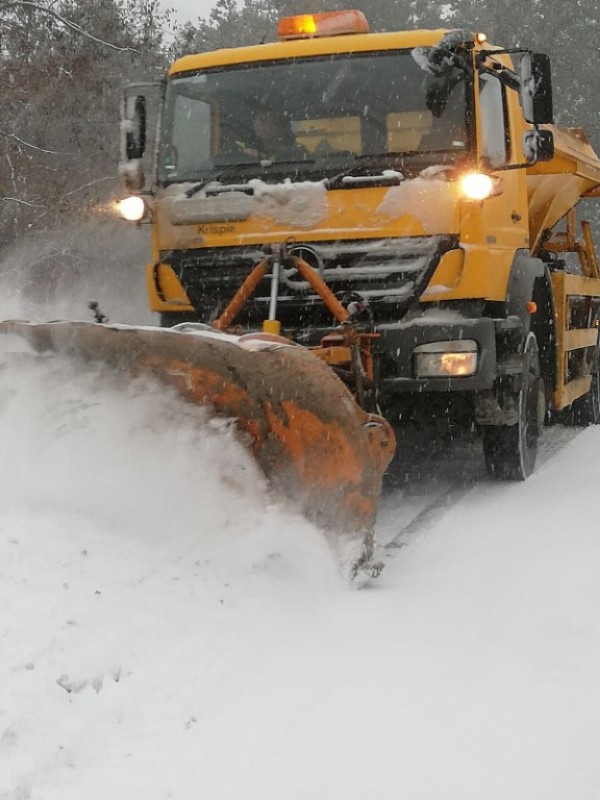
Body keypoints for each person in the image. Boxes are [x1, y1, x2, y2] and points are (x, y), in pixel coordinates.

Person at [242, 106, 308, 161]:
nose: (258, 124)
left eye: (263, 119)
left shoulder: (297, 152)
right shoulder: (245, 151)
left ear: (279, 123)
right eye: (255, 119)